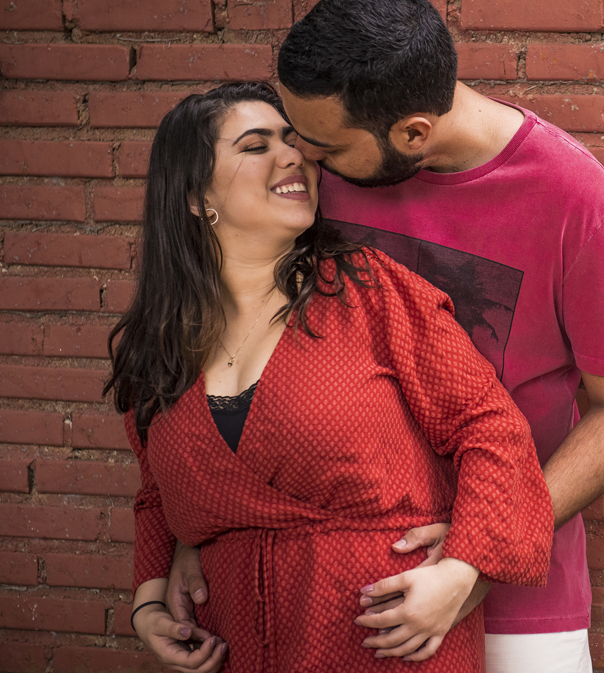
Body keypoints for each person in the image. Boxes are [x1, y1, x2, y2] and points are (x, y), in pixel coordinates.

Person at [167, 0, 604, 673]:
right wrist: (204, 529)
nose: (305, 163)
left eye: (325, 148)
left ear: (412, 134)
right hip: (352, 602)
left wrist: (479, 553)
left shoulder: (578, 201)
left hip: (522, 602)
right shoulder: (317, 183)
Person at [107, 82, 554, 673]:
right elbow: (156, 495)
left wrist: (459, 573)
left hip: (389, 640)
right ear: (194, 194)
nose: (293, 156)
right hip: (234, 646)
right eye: (255, 145)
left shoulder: (370, 293)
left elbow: (492, 429)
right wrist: (146, 607)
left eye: (293, 141)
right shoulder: (157, 346)